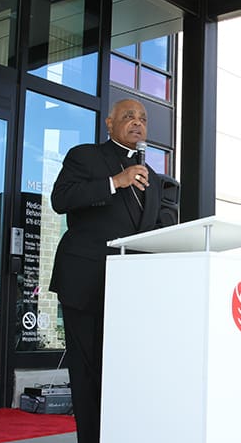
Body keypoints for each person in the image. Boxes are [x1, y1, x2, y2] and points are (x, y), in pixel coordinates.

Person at [50, 99, 172, 443]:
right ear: (109, 123)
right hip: (85, 283)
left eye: (143, 119)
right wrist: (114, 181)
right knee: (88, 373)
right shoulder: (85, 156)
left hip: (132, 291)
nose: (137, 123)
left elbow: (159, 230)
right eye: (128, 116)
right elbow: (60, 199)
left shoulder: (156, 178)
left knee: (125, 373)